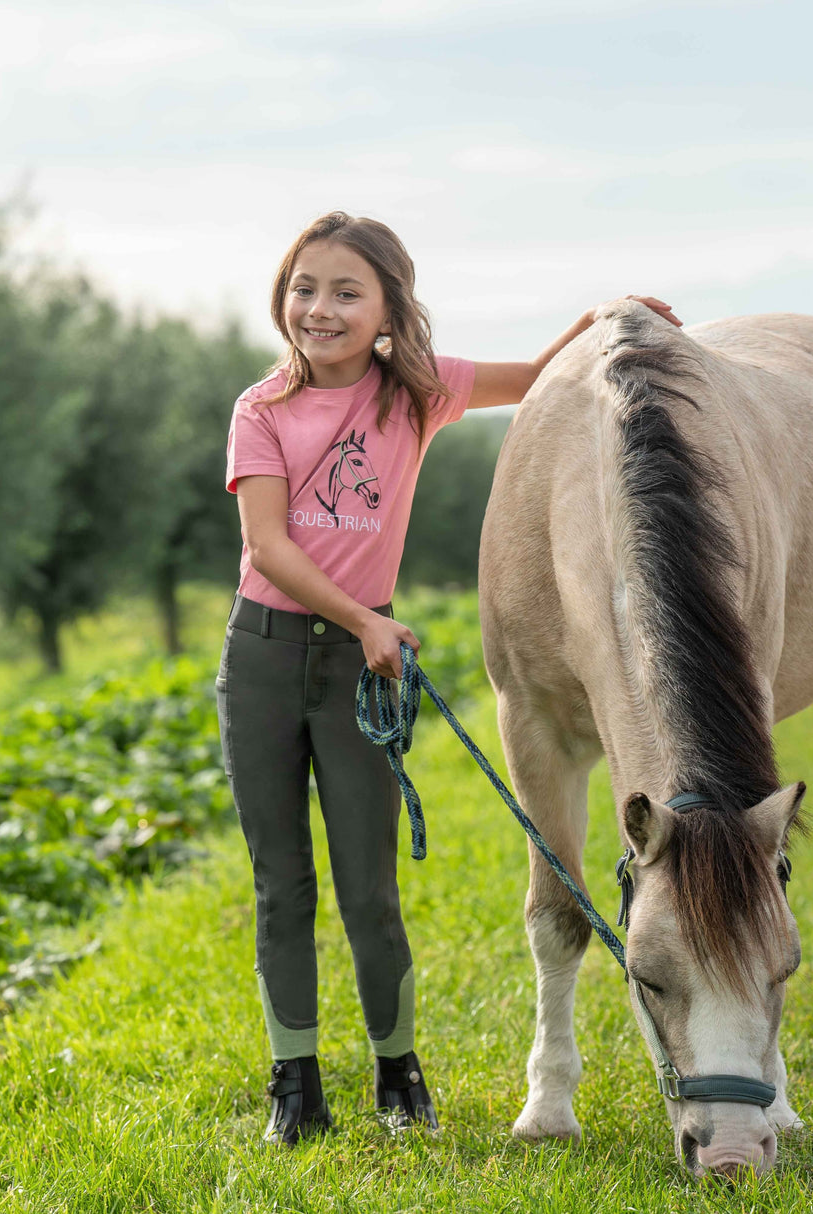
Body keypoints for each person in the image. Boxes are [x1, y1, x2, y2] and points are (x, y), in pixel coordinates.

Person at [217, 209, 681, 1146]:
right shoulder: (260, 410)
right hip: (265, 658)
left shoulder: (417, 394)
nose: (320, 308)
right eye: (305, 287)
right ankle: (294, 1086)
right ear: (283, 297)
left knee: (370, 889)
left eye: (347, 291)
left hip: (357, 672)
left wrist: (599, 321)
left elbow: (543, 383)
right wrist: (364, 618)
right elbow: (266, 543)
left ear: (388, 309)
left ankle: (399, 1079)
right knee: (281, 888)